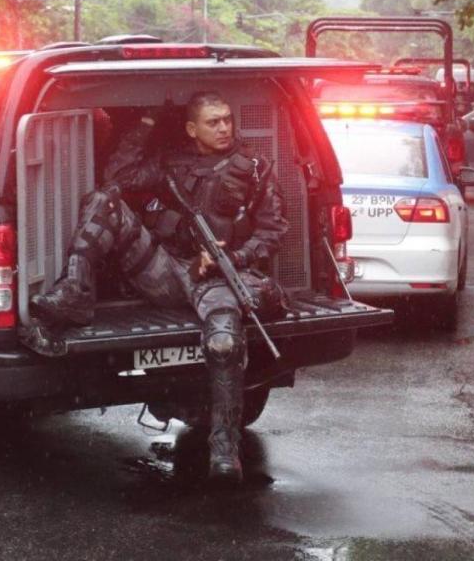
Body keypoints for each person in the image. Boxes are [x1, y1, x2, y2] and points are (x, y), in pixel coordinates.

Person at [30, 91, 289, 484]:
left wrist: (231, 257)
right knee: (105, 201)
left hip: (217, 276)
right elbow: (117, 177)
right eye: (213, 122)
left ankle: (223, 449)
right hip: (166, 269)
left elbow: (274, 231)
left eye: (227, 120)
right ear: (191, 128)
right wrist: (148, 119)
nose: (223, 128)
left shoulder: (254, 168)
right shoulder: (173, 161)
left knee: (223, 344)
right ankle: (76, 292)